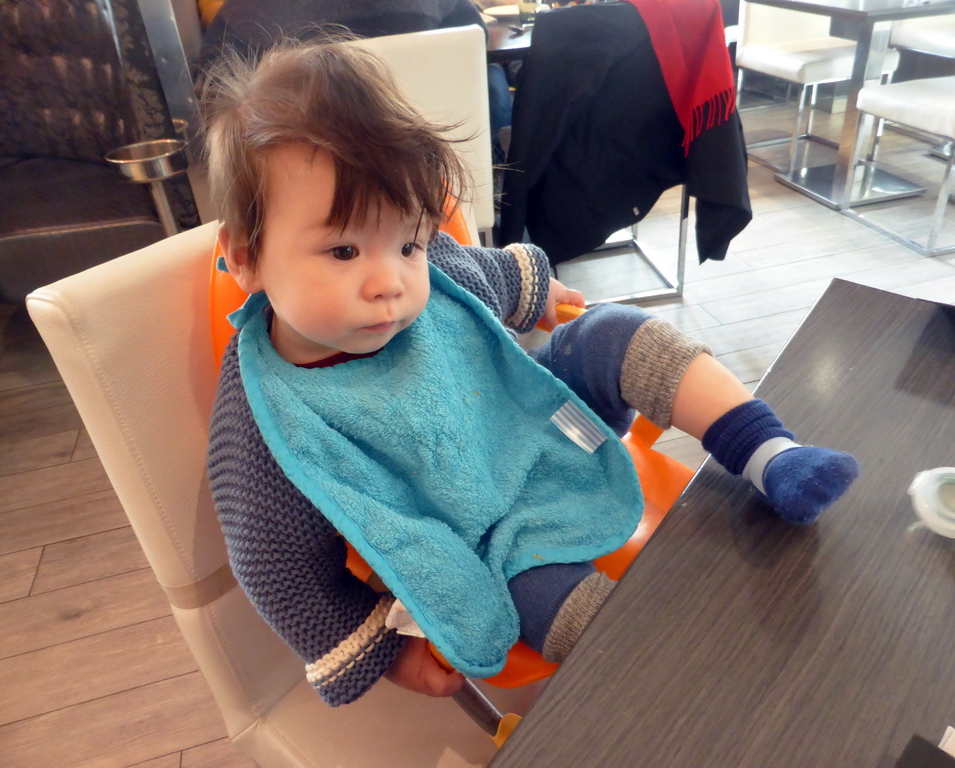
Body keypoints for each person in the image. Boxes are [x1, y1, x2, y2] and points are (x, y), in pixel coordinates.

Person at [202, 37, 859, 707]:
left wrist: (540, 293)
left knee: (607, 331)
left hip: (539, 424)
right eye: (343, 250)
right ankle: (675, 674)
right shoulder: (267, 419)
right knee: (552, 611)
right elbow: (276, 567)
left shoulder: (435, 282)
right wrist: (391, 655)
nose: (390, 283)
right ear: (246, 257)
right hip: (488, 542)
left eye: (407, 243)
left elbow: (482, 272)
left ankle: (769, 454)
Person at [193, 0, 513, 160]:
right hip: (432, 160)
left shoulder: (250, 8)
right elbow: (472, 42)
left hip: (310, 174)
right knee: (494, 81)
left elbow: (214, 84)